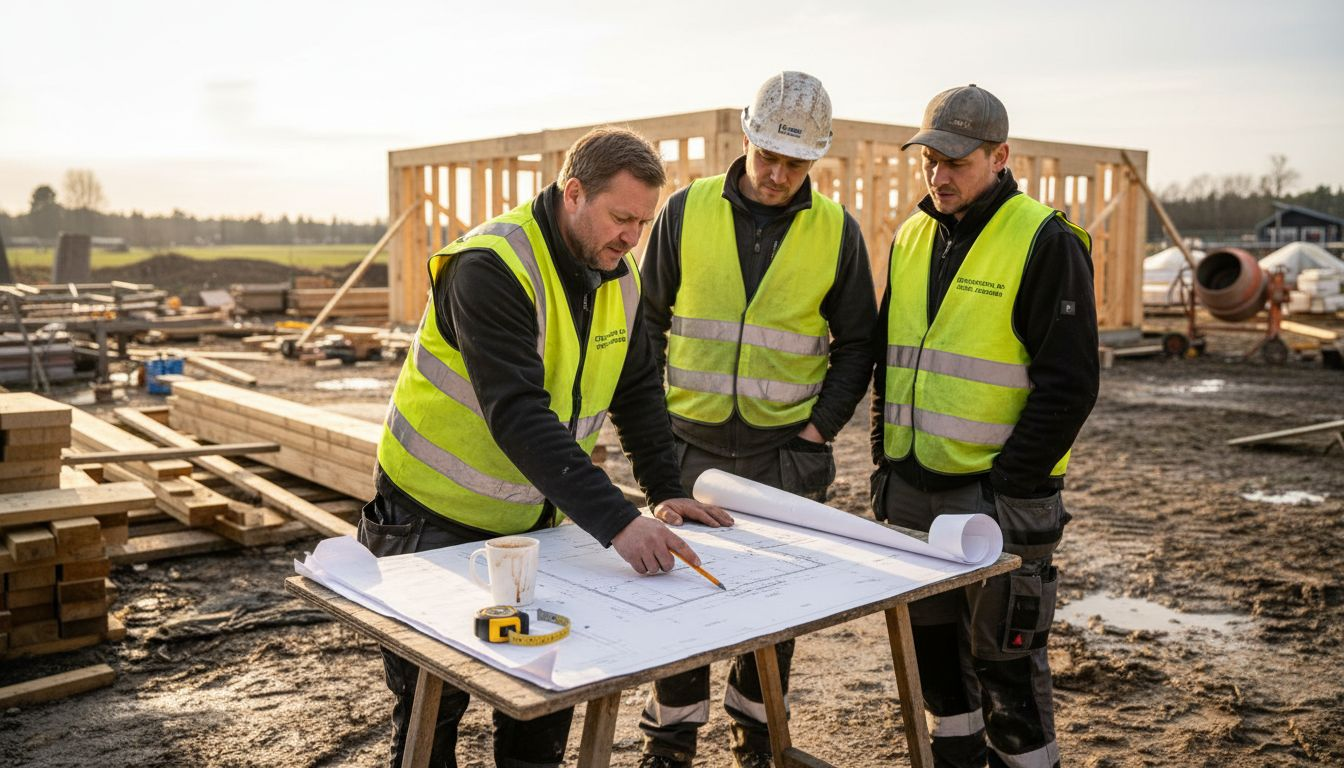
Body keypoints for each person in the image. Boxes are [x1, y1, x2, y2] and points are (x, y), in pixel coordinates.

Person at [365, 126, 732, 768]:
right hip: (431, 522)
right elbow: (518, 414)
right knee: (432, 714)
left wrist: (666, 489)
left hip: (537, 524)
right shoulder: (490, 267)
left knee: (541, 697)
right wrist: (619, 522)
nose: (631, 237)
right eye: (621, 217)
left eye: (642, 223)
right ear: (572, 193)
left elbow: (639, 388)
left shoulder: (616, 273)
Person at [639, 71, 877, 768]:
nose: (776, 174)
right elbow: (645, 325)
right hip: (689, 448)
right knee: (679, 598)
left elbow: (858, 341)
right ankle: (671, 741)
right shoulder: (685, 211)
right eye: (767, 155)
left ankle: (759, 737)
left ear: (817, 159)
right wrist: (653, 432)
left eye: (795, 162)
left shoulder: (836, 230)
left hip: (785, 455)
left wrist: (819, 430)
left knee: (774, 613)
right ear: (747, 138)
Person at [871, 84, 1098, 768]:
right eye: (929, 160)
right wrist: (886, 463)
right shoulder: (912, 235)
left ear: (1001, 156)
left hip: (996, 497)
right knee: (936, 664)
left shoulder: (1045, 240)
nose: (938, 175)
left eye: (957, 162)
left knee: (1007, 668)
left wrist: (1010, 485)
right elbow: (893, 360)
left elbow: (1071, 386)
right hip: (913, 490)